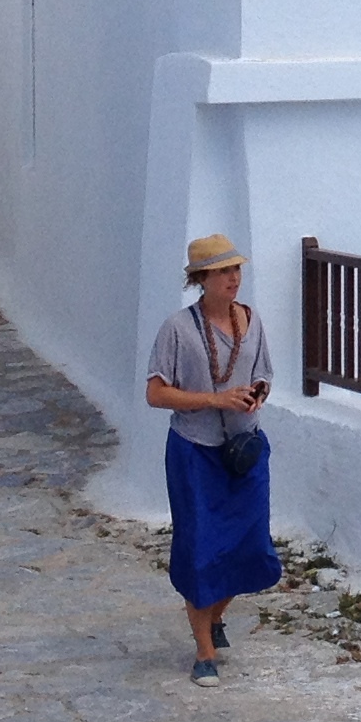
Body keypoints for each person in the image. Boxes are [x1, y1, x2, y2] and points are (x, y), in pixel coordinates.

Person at [143, 234, 280, 681]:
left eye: (236, 270)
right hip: (195, 455)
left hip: (244, 452)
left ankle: (216, 615)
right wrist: (215, 399)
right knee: (201, 548)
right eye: (224, 271)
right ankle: (204, 649)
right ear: (202, 278)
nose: (234, 279)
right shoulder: (178, 329)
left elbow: (262, 373)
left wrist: (255, 394)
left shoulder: (250, 320)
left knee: (251, 545)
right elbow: (156, 393)